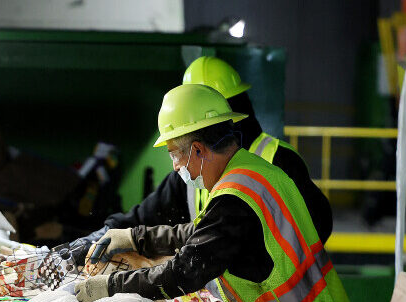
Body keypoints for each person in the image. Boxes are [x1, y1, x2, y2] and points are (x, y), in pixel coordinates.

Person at [73, 84, 347, 302]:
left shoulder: (233, 199)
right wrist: (132, 237)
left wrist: (110, 286)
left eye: (175, 155)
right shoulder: (252, 171)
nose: (177, 167)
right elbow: (199, 233)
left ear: (198, 150)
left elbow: (183, 272)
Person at [62, 56, 332, 266]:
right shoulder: (191, 169)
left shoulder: (278, 161)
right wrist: (98, 239)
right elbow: (145, 218)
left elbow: (316, 229)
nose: (178, 163)